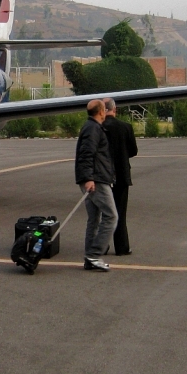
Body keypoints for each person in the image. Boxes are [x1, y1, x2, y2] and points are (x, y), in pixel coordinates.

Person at [75, 99, 118, 272]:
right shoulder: (93, 129)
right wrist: (88, 178)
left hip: (94, 177)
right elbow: (87, 154)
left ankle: (90, 257)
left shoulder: (91, 127)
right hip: (96, 180)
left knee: (94, 219)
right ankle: (94, 254)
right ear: (101, 112)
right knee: (111, 216)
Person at [102, 97, 138, 256]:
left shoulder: (98, 128)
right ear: (115, 109)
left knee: (104, 213)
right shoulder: (126, 127)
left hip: (103, 175)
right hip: (122, 175)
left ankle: (102, 245)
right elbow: (133, 151)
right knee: (120, 212)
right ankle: (122, 247)